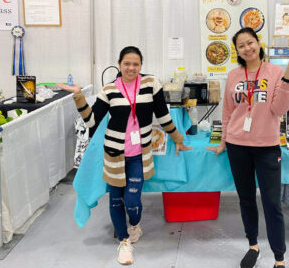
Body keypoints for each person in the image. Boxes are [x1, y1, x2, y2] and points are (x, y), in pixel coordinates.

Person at [58, 46, 192, 266]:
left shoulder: (151, 84)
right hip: (113, 154)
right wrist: (78, 96)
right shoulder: (109, 89)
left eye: (136, 64)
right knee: (115, 200)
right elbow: (92, 122)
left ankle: (135, 224)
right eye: (127, 63)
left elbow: (163, 115)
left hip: (139, 154)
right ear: (119, 64)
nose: (131, 68)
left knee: (132, 200)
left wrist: (177, 138)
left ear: (141, 65)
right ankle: (124, 241)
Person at [207, 28, 289, 268]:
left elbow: (279, 110)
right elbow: (228, 112)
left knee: (271, 203)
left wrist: (287, 78)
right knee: (246, 199)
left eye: (250, 42)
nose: (247, 48)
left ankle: (279, 258)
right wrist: (223, 141)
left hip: (267, 147)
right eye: (241, 45)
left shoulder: (275, 72)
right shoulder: (234, 75)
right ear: (237, 51)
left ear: (258, 43)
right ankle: (253, 246)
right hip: (238, 146)